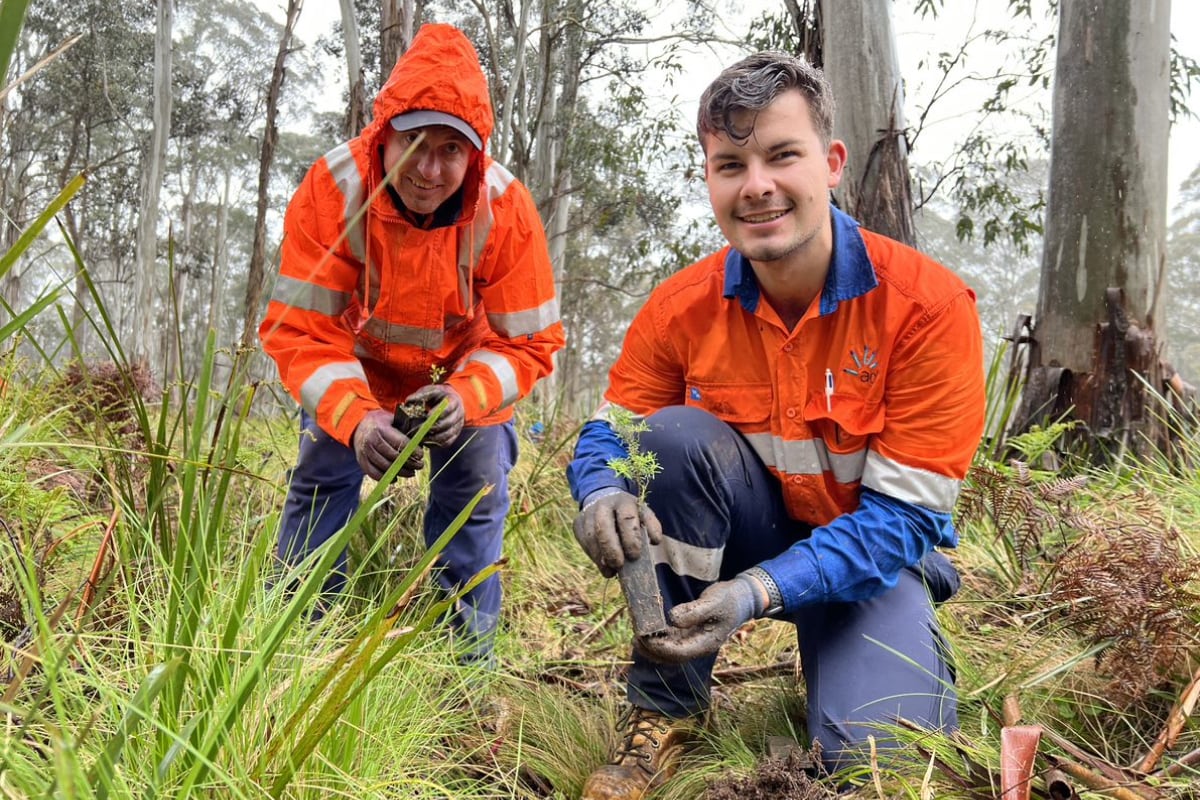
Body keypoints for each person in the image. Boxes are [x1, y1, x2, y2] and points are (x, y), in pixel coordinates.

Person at [566, 51, 985, 798]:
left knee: (882, 762)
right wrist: (599, 493)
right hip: (748, 531)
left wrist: (759, 591)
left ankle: (875, 664)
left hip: (873, 564)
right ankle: (666, 707)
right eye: (730, 164)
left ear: (830, 163)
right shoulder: (680, 307)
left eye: (780, 155)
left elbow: (901, 522)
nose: (755, 186)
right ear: (710, 180)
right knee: (669, 440)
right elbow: (612, 435)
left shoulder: (925, 308)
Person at [260, 23, 565, 665]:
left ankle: (465, 668)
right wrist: (356, 417)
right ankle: (293, 645)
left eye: (450, 150)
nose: (428, 170)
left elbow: (530, 343)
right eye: (414, 143)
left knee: (476, 485)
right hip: (356, 368)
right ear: (384, 134)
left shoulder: (504, 210)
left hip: (461, 376)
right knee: (323, 469)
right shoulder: (333, 189)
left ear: (475, 153)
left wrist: (464, 397)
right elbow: (300, 331)